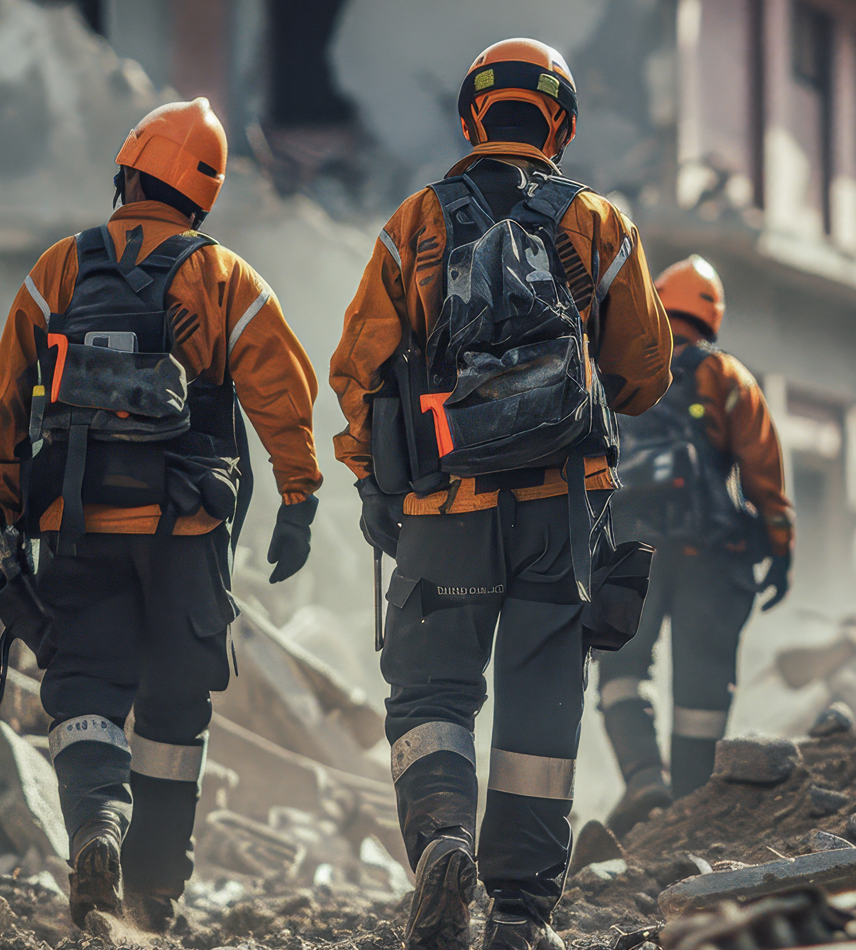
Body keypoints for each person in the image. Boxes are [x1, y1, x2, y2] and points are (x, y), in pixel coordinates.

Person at [330, 38, 672, 950]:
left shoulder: (415, 222)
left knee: (432, 693)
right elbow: (643, 375)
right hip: (560, 515)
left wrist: (369, 476)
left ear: (473, 117)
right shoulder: (599, 223)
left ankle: (443, 836)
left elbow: (358, 370)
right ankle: (519, 915)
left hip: (446, 508)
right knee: (538, 712)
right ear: (559, 120)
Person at [0, 98, 322, 931]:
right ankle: (154, 898)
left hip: (74, 521)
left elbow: (3, 403)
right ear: (200, 194)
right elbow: (283, 391)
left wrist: (3, 499)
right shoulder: (223, 276)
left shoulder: (59, 268)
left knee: (86, 690)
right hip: (185, 532)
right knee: (173, 715)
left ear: (127, 171)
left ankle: (96, 822)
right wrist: (298, 498)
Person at [600, 255, 794, 835]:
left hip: (633, 552)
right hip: (711, 555)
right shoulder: (726, 377)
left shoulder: (619, 371)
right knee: (702, 690)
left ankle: (642, 777)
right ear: (712, 315)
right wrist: (779, 545)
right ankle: (687, 812)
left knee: (621, 670)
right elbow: (764, 470)